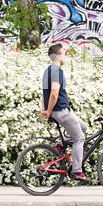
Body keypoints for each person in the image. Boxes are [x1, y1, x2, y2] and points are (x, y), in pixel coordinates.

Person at [40, 43, 88, 180]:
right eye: (64, 53)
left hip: (63, 110)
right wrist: (48, 111)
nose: (66, 56)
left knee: (84, 127)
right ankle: (77, 171)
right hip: (61, 111)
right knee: (79, 138)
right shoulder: (57, 71)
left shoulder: (47, 70)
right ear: (58, 56)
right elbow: (54, 93)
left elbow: (44, 93)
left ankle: (61, 145)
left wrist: (44, 109)